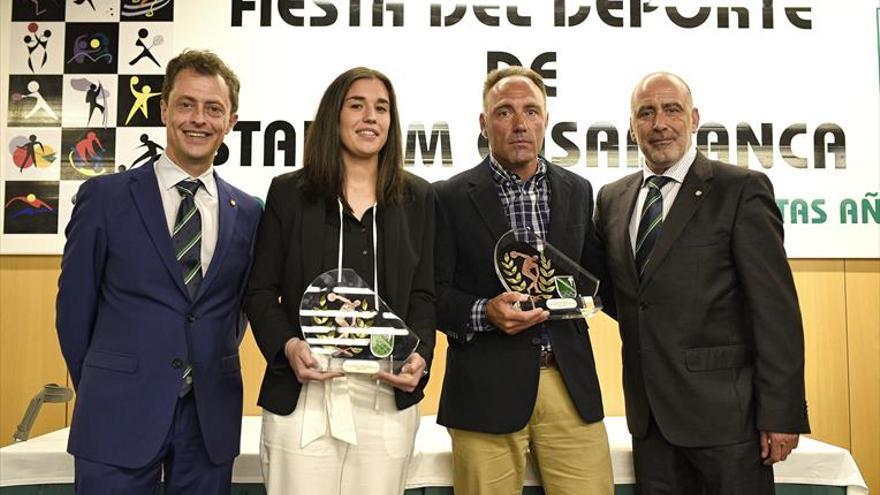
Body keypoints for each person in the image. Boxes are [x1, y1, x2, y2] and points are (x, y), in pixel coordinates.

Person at [594, 71, 810, 494]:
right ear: (632, 126)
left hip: (728, 422)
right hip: (650, 423)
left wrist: (780, 414)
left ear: (693, 119)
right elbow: (628, 299)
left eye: (672, 110)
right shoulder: (612, 199)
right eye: (646, 113)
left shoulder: (739, 190)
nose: (660, 123)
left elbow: (775, 311)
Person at [55, 49, 261, 494]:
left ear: (232, 122)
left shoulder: (249, 212)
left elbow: (236, 310)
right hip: (116, 413)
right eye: (186, 104)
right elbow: (74, 311)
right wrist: (105, 381)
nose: (198, 119)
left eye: (214, 109)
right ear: (164, 108)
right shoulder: (104, 199)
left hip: (209, 418)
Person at [244, 67, 435, 495]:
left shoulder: (418, 198)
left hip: (386, 391)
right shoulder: (290, 193)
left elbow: (424, 295)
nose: (371, 117)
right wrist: (289, 347)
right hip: (306, 391)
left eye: (381, 108)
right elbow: (259, 292)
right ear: (334, 115)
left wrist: (419, 355)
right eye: (357, 105)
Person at [434, 66, 614, 495]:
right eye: (504, 112)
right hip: (484, 389)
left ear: (546, 119)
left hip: (569, 386)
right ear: (483, 123)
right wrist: (484, 312)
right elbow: (431, 295)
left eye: (531, 111)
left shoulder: (578, 189)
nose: (520, 124)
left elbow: (593, 281)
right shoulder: (449, 197)